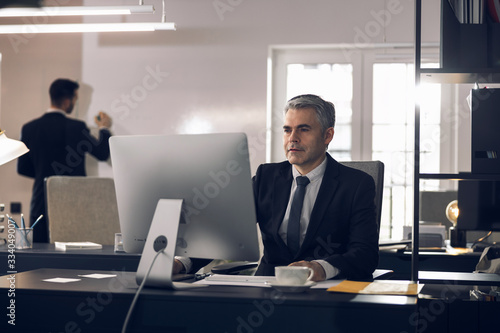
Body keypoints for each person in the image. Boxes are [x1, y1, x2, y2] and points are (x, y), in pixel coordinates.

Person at [174, 94, 379, 281]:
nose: (293, 138)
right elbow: (224, 234)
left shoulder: (356, 185)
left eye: (304, 129)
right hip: (266, 287)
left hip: (326, 292)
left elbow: (365, 254)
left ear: (327, 136)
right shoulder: (266, 177)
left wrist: (321, 268)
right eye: (288, 130)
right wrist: (183, 263)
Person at [17, 78, 113, 243]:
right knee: (73, 257)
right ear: (68, 100)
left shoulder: (29, 128)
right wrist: (104, 128)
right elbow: (103, 153)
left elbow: (23, 168)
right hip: (74, 203)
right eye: (76, 99)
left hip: (41, 203)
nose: (75, 103)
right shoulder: (77, 128)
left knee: (40, 257)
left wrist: (44, 173)